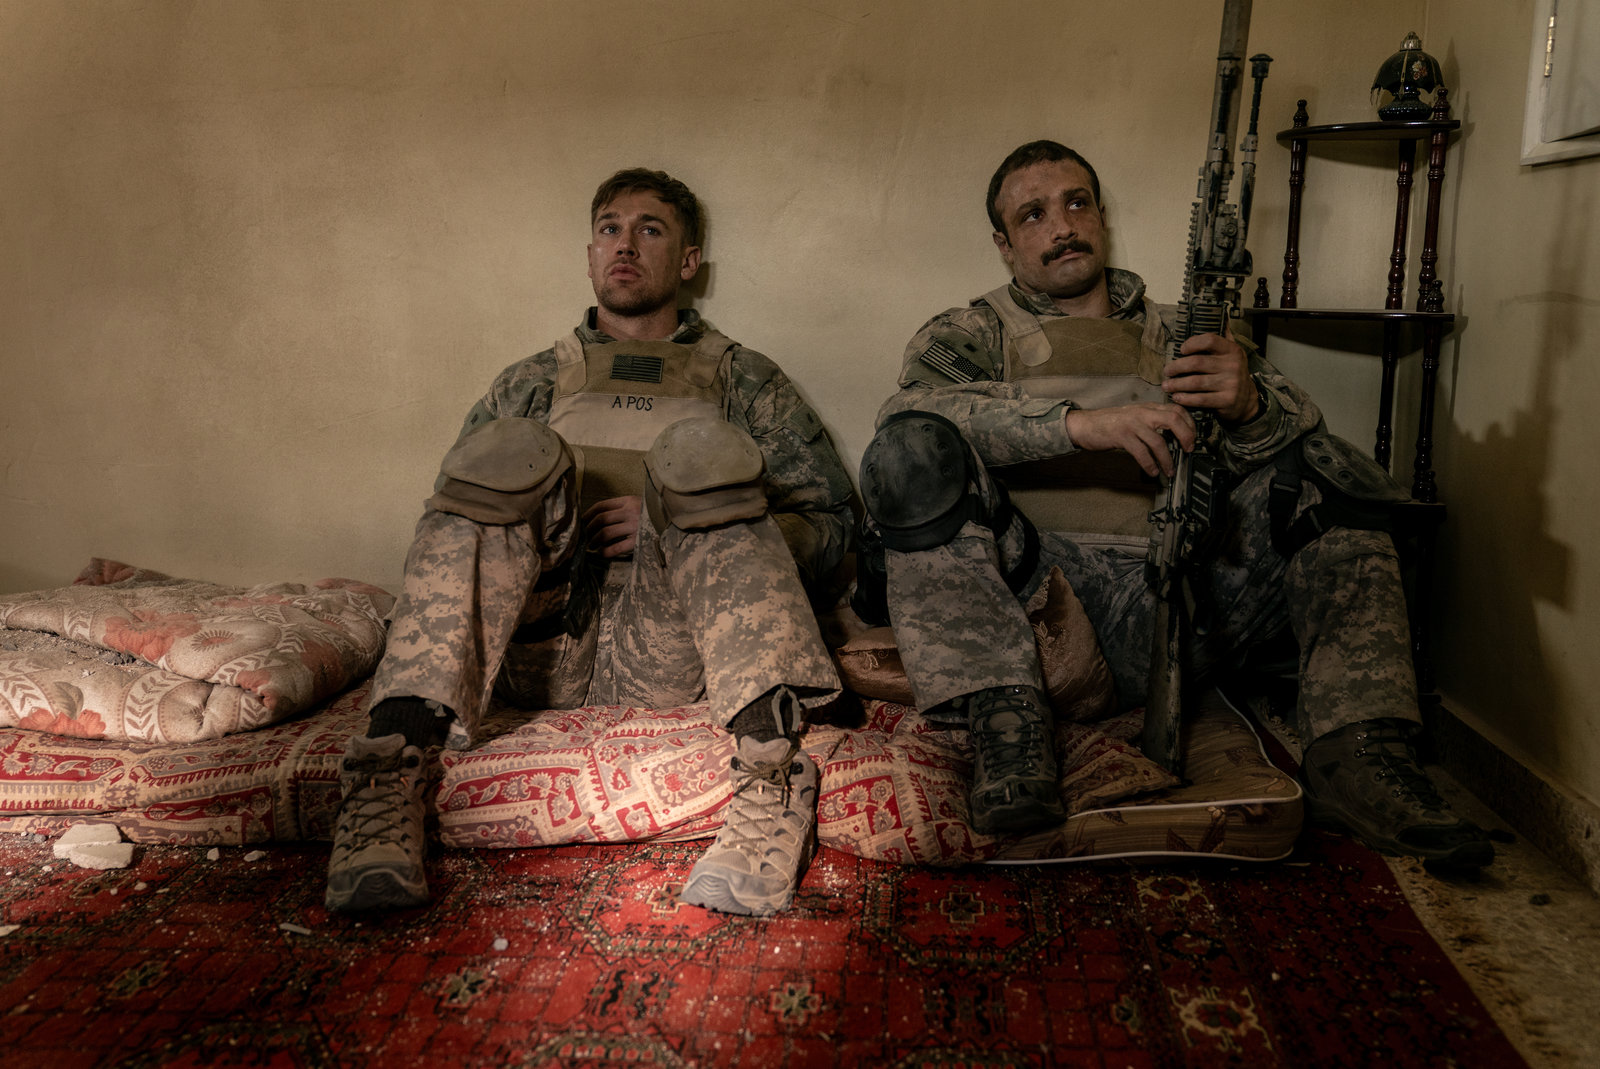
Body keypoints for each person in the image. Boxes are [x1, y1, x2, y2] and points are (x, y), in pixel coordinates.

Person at [856, 139, 1492, 869]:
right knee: (908, 452)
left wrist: (1251, 404)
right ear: (1004, 245)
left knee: (1333, 470)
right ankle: (1007, 731)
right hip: (1033, 608)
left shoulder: (1188, 333)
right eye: (1033, 215)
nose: (1061, 225)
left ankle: (1359, 754)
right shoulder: (970, 334)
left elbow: (1296, 431)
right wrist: (1078, 425)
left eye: (1076, 203)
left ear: (1100, 217)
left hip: (1174, 600)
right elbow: (906, 421)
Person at [326, 168, 854, 916]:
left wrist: (670, 527)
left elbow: (834, 523)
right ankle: (387, 770)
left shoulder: (746, 381)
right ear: (589, 254)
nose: (625, 245)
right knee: (505, 456)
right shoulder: (531, 382)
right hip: (542, 647)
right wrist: (553, 533)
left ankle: (771, 778)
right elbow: (449, 530)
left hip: (670, 647)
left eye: (649, 229)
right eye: (611, 229)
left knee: (703, 461)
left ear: (689, 261)